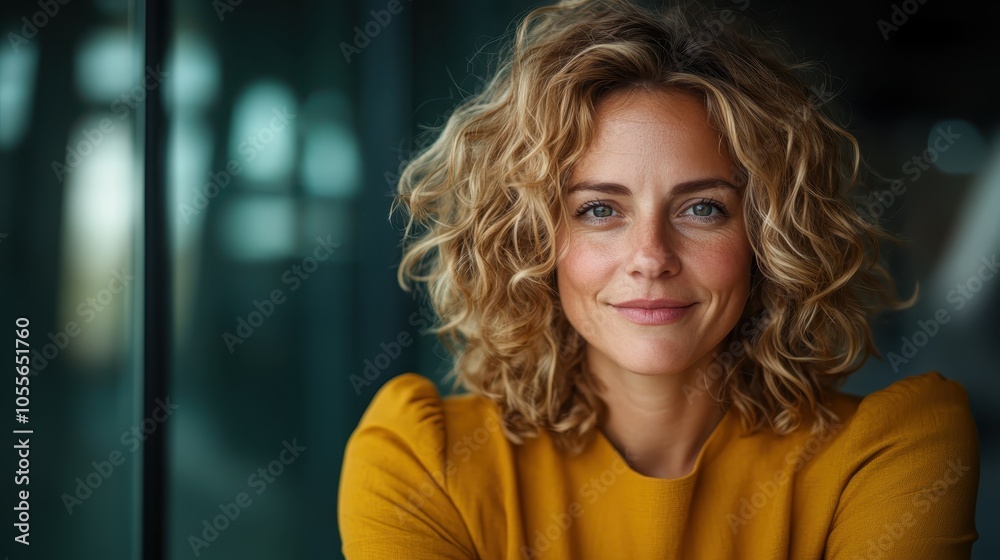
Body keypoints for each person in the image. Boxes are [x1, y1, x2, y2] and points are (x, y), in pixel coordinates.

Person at [338, 0, 980, 558]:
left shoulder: (889, 453)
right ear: (532, 240)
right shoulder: (422, 456)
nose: (651, 256)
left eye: (701, 208)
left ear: (769, 237)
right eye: (599, 210)